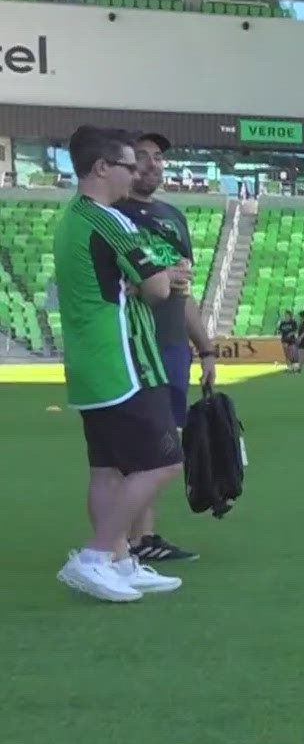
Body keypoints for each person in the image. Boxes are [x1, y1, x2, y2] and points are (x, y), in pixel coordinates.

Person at [51, 125, 192, 602]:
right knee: (164, 462)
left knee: (107, 469)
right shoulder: (110, 220)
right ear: (101, 168)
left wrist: (143, 279)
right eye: (130, 165)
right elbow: (156, 287)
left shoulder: (70, 217)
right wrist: (165, 276)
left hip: (89, 363)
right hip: (124, 359)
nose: (138, 173)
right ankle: (93, 556)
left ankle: (119, 560)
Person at [115, 130, 216, 564]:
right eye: (142, 157)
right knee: (138, 447)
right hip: (133, 342)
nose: (153, 164)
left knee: (160, 444)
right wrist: (148, 284)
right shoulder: (110, 215)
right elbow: (103, 285)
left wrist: (206, 348)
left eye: (158, 157)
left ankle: (143, 538)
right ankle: (121, 542)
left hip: (174, 346)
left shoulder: (173, 217)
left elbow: (183, 290)